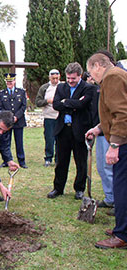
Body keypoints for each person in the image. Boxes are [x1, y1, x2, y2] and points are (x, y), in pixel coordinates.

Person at [86, 52, 127, 249]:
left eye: (91, 73)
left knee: (122, 188)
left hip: (124, 143)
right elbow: (112, 115)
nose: (91, 79)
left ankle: (123, 235)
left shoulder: (112, 77)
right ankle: (122, 226)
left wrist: (114, 145)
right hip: (122, 140)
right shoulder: (118, 75)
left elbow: (122, 114)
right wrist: (99, 129)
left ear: (97, 65)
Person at [47, 62, 94, 200]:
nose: (70, 81)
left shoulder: (88, 88)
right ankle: (58, 188)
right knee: (61, 161)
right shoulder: (61, 87)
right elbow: (56, 104)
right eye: (68, 78)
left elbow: (82, 104)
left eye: (73, 78)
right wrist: (72, 104)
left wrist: (66, 102)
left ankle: (79, 189)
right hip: (63, 130)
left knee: (81, 162)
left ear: (80, 76)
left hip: (80, 130)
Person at [82, 71, 114, 210]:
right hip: (101, 131)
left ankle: (119, 202)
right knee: (102, 167)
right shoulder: (96, 90)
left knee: (111, 168)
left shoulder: (114, 88)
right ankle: (110, 198)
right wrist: (95, 128)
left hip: (114, 133)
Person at [0, 73, 28, 169]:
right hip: (6, 122)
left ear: (14, 81)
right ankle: (6, 161)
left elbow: (23, 106)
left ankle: (21, 161)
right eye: (7, 82)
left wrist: (16, 117)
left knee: (19, 142)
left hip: (18, 121)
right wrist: (8, 117)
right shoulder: (1, 94)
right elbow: (0, 107)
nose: (9, 83)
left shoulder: (21, 92)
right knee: (6, 142)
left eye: (11, 81)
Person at [35, 69, 60, 167]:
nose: (55, 80)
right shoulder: (44, 88)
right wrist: (47, 101)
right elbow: (38, 102)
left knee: (60, 140)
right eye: (53, 78)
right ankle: (48, 158)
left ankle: (59, 159)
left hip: (60, 117)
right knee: (49, 139)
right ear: (49, 78)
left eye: (57, 78)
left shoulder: (63, 86)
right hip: (49, 117)